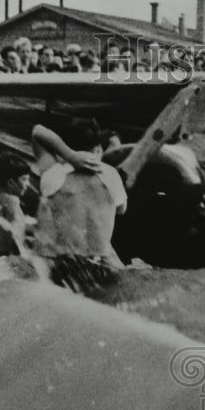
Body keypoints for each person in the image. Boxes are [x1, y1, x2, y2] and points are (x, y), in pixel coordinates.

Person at [30, 118, 127, 292]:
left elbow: (37, 131)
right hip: (102, 267)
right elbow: (122, 209)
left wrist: (70, 156)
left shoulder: (53, 174)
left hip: (67, 269)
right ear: (98, 149)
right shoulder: (112, 175)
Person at [0, 154, 33, 257]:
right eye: (24, 179)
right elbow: (14, 234)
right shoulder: (12, 201)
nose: (28, 184)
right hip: (8, 254)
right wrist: (25, 254)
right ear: (11, 182)